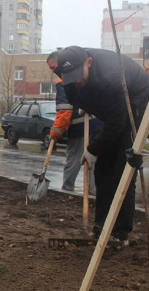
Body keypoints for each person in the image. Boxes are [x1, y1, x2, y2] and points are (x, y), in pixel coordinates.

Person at [57, 46, 149, 244]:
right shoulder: (69, 76)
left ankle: (120, 233)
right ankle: (101, 227)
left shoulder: (111, 78)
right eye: (70, 77)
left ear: (89, 63)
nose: (76, 81)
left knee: (122, 172)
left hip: (137, 101)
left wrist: (93, 149)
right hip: (113, 107)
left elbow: (118, 123)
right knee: (102, 171)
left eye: (78, 75)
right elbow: (75, 96)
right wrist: (87, 104)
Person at [46, 51, 102, 194]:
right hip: (96, 125)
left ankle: (67, 190)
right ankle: (93, 192)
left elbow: (65, 111)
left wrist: (55, 132)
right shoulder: (79, 73)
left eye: (53, 67)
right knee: (92, 158)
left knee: (73, 158)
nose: (53, 71)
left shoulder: (63, 81)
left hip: (80, 128)